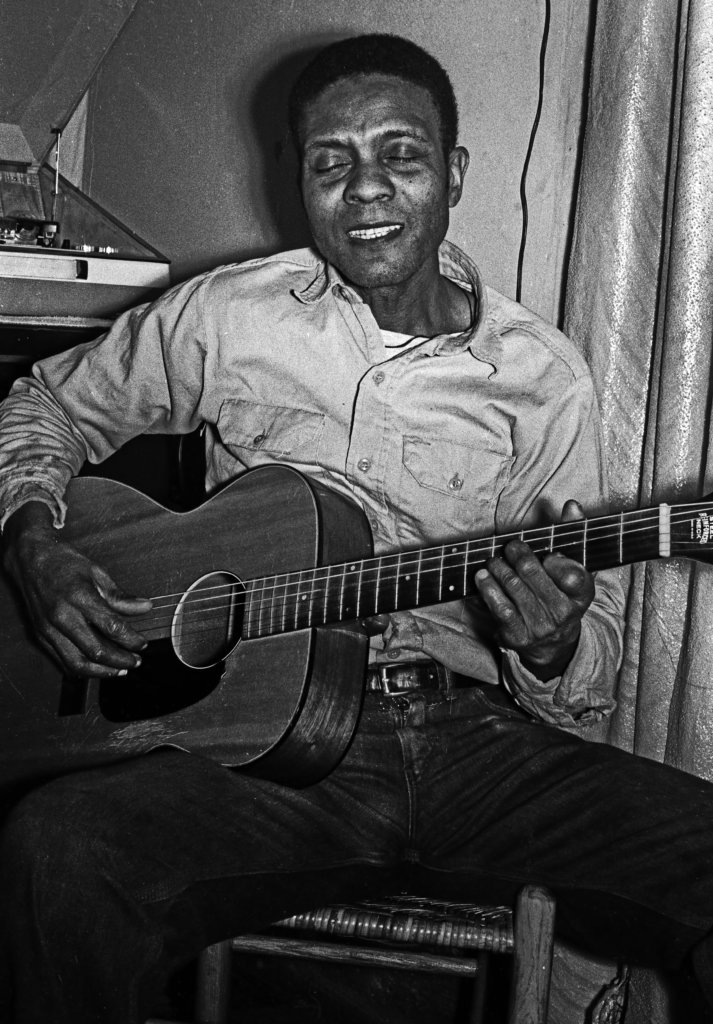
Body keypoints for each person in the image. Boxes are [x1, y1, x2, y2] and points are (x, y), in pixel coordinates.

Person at [0, 32, 712, 1023]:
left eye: (400, 156)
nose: (365, 189)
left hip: (477, 748)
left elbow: (583, 680)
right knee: (56, 846)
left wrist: (547, 645)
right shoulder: (225, 316)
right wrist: (35, 544)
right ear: (297, 179)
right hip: (260, 765)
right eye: (331, 163)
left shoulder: (537, 375)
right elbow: (42, 404)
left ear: (453, 174)